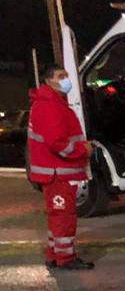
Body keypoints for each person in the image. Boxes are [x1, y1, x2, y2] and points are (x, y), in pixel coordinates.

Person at [26, 65, 94, 270]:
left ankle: (54, 254)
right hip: (57, 173)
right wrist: (83, 150)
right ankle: (65, 258)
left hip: (55, 172)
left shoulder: (51, 102)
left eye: (66, 75)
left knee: (58, 217)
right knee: (64, 216)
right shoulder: (49, 105)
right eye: (60, 76)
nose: (65, 80)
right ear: (48, 81)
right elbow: (58, 142)